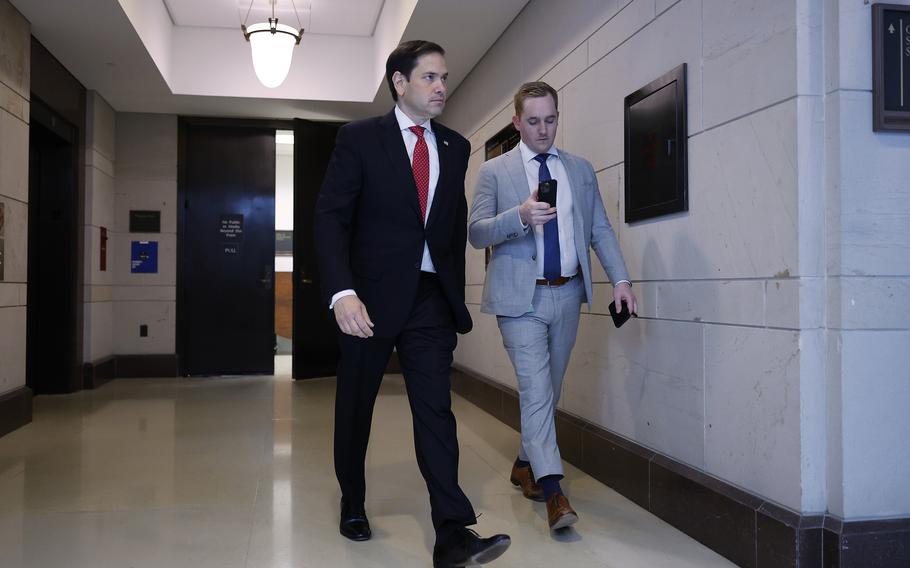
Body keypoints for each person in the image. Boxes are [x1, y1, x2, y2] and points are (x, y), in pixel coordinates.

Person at [314, 40, 511, 566]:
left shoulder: (454, 146)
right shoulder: (359, 139)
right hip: (368, 300)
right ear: (399, 83)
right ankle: (352, 501)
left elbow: (447, 229)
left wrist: (454, 295)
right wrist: (341, 293)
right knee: (356, 406)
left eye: (444, 77)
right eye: (429, 78)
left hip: (429, 302)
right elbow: (331, 217)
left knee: (436, 412)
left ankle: (451, 532)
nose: (441, 86)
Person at [468, 81, 637, 531]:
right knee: (537, 387)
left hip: (567, 292)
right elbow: (477, 232)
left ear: (558, 117)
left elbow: (599, 229)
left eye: (551, 119)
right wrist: (518, 216)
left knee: (550, 388)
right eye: (534, 121)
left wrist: (620, 279)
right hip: (519, 298)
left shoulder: (579, 170)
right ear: (517, 121)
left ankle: (525, 462)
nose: (544, 130)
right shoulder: (496, 172)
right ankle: (554, 489)